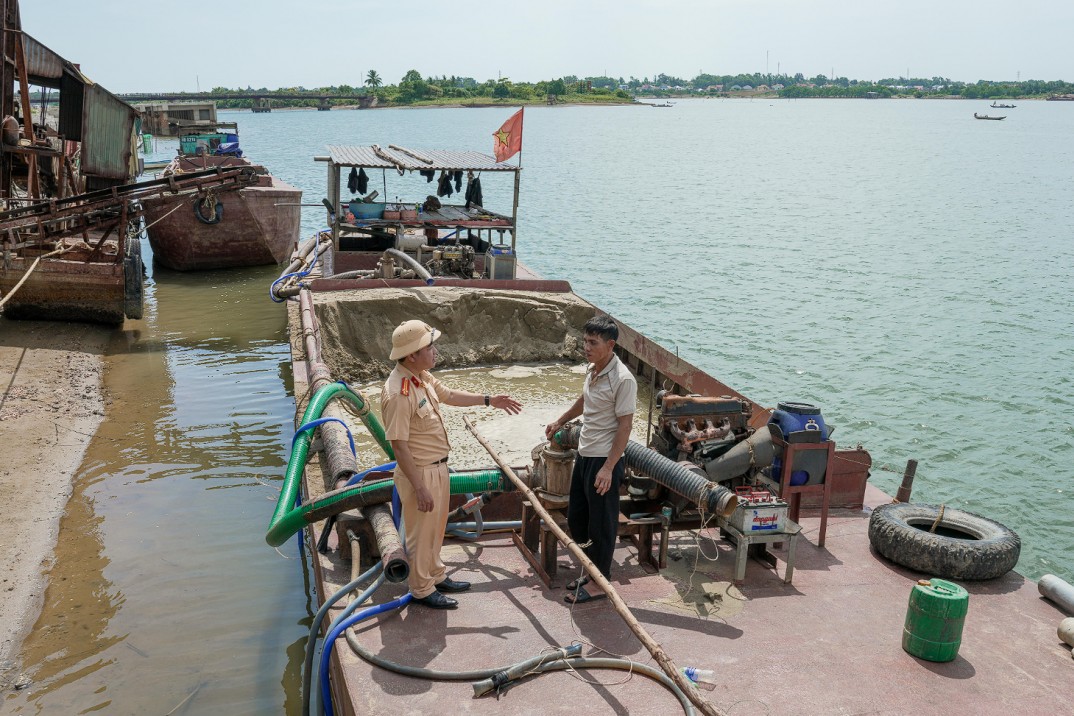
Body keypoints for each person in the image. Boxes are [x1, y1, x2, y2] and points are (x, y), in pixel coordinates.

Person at [381, 320, 522, 609]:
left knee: (436, 528)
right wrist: (419, 488)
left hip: (438, 468)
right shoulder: (398, 392)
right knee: (421, 534)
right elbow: (399, 445)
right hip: (420, 473)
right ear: (411, 355)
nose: (435, 351)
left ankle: (435, 575)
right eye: (429, 346)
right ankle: (421, 589)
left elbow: (449, 396)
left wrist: (488, 400)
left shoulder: (421, 376)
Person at [544, 315, 637, 603]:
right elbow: (584, 401)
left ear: (610, 345)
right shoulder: (594, 370)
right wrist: (560, 421)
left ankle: (601, 582)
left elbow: (625, 425)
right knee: (579, 519)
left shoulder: (623, 379)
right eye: (585, 341)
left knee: (602, 524)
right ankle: (590, 570)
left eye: (592, 342)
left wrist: (609, 468)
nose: (586, 347)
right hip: (585, 454)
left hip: (603, 461)